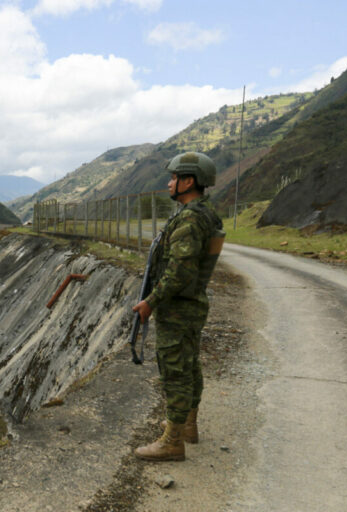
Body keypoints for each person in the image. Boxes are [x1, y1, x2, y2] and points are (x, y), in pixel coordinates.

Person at [132, 151, 225, 461]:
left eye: (174, 178)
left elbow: (178, 272)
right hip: (191, 304)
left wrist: (150, 302)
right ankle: (188, 425)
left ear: (188, 181)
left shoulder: (189, 219)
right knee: (189, 364)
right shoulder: (204, 212)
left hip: (178, 306)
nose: (169, 183)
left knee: (174, 370)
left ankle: (173, 441)